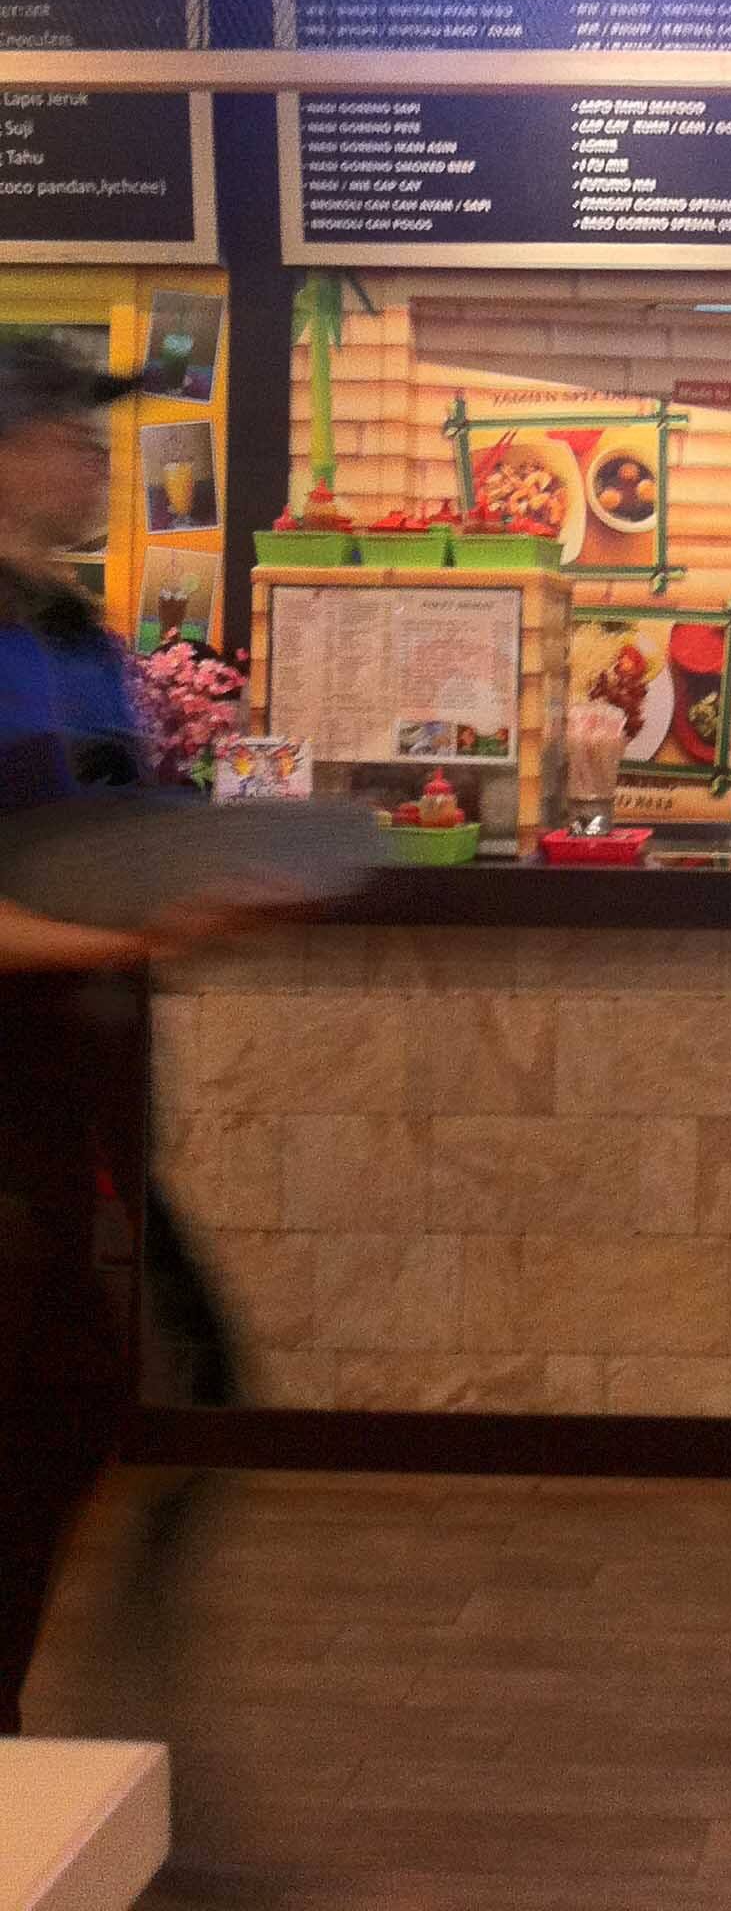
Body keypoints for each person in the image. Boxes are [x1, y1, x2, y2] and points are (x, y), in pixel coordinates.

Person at [0, 335, 264, 1737]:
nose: (93, 455)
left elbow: (110, 838)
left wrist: (214, 877)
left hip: (89, 1105)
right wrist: (115, 936)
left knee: (165, 1388)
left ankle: (83, 1737)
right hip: (11, 1103)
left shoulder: (81, 645)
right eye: (62, 429)